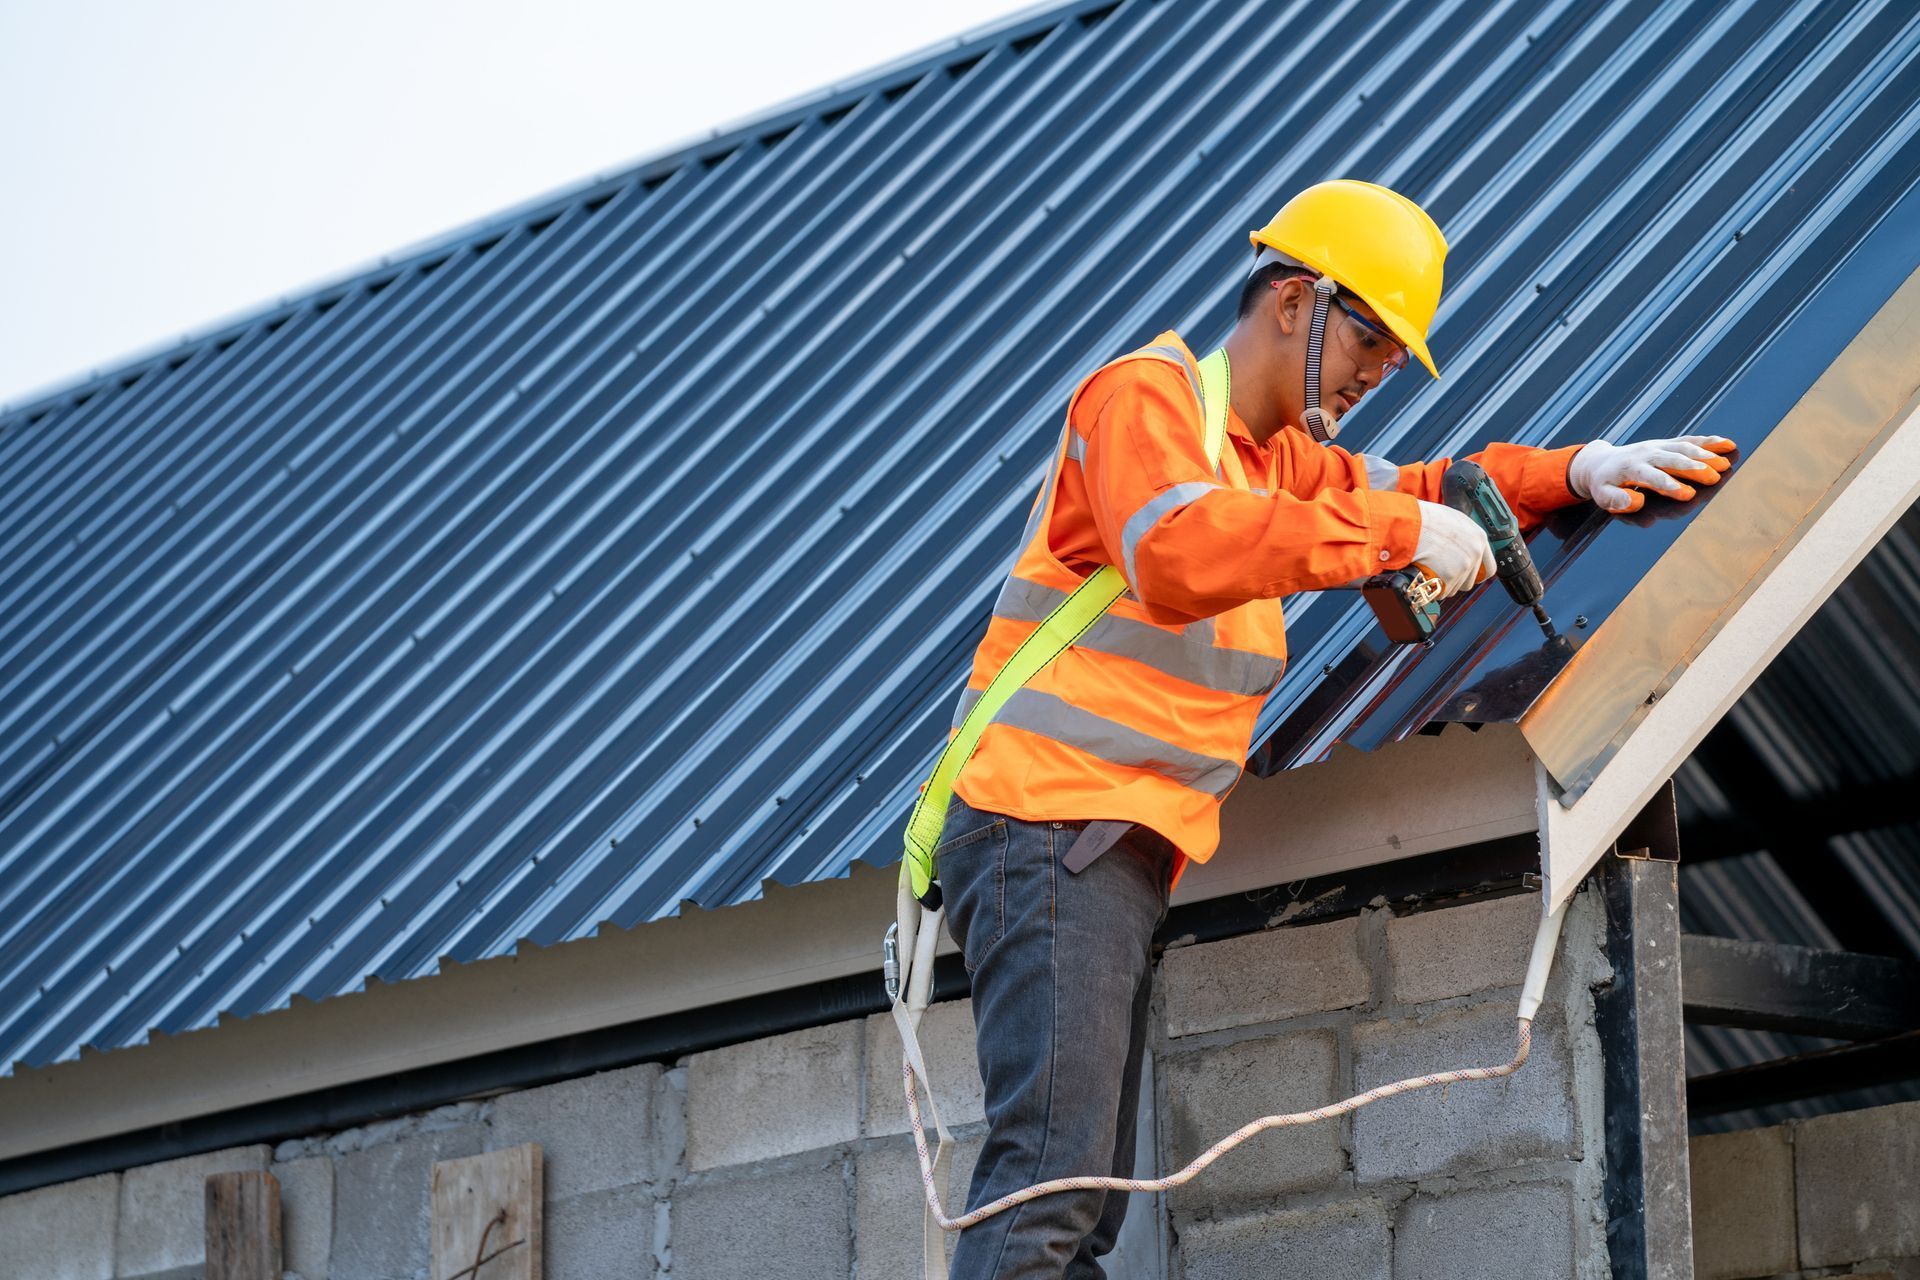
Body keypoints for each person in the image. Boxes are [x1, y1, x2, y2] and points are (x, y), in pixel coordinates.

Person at [923, 179, 1734, 1279]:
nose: (1378, 372)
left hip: (1098, 845)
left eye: (1399, 357)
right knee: (1049, 1193)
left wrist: (1577, 469)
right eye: (1373, 337)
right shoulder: (1145, 397)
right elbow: (1178, 549)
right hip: (1045, 820)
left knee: (1080, 1208)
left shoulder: (1276, 464)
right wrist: (1397, 525)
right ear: (1298, 300)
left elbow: (1438, 483)